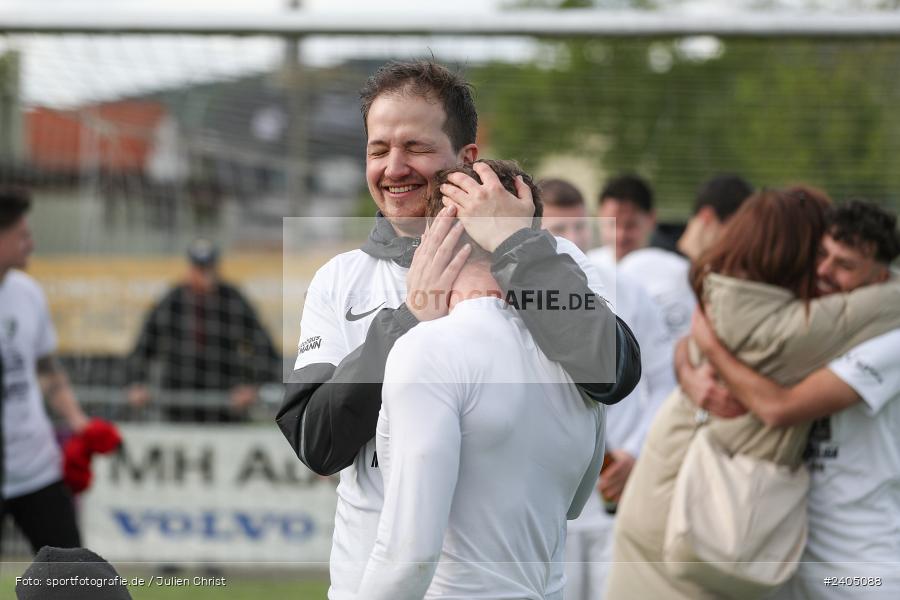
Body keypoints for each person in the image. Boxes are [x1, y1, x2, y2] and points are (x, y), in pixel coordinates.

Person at [276, 61, 641, 600]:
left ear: (466, 158)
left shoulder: (553, 258)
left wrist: (517, 250)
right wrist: (406, 321)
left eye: (416, 148)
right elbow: (315, 442)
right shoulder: (340, 280)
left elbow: (613, 373)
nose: (393, 168)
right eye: (378, 150)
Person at [606, 189, 900, 599]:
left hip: (858, 567)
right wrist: (692, 360)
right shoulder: (799, 320)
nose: (826, 270)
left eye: (845, 264)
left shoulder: (877, 337)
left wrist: (706, 348)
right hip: (749, 531)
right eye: (820, 255)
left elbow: (779, 408)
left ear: (880, 275)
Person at [356, 160, 605, 600]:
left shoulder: (427, 350)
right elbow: (575, 501)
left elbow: (407, 558)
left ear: (434, 236)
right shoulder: (580, 355)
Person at [540, 177, 674, 600]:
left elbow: (665, 381)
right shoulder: (513, 300)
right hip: (549, 500)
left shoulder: (628, 289)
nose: (576, 239)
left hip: (621, 497)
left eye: (582, 227)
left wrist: (637, 451)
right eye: (562, 230)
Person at [0, 187, 88, 553]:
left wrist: (79, 422)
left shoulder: (28, 293)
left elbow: (47, 370)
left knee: (77, 581)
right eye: (22, 235)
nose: (31, 244)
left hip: (35, 468)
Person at [127, 237, 280, 422]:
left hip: (225, 402)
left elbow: (263, 345)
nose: (204, 275)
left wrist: (253, 386)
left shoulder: (232, 300)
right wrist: (137, 383)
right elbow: (144, 344)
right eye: (199, 269)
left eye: (208, 269)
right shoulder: (173, 300)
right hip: (178, 400)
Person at [590, 173, 753, 341]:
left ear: (651, 219)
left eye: (630, 225)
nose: (620, 235)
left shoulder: (681, 269)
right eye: (611, 224)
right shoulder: (585, 267)